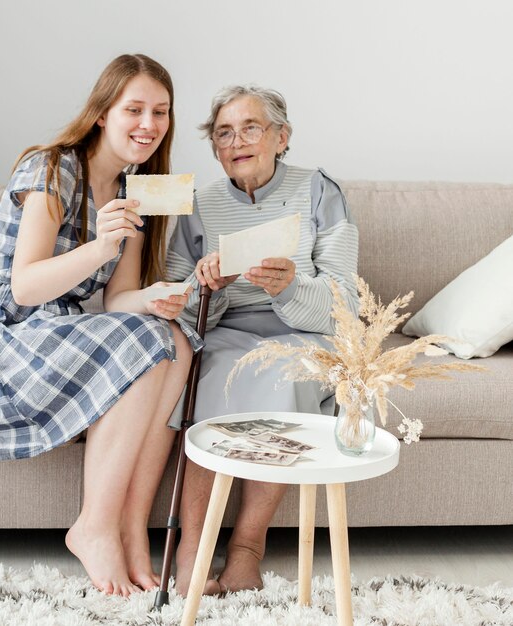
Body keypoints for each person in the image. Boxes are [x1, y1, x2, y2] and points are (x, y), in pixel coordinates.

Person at [0, 54, 202, 597]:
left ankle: (130, 523)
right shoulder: (51, 167)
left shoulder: (136, 191)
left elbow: (119, 297)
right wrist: (103, 245)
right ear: (103, 112)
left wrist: (153, 297)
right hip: (2, 331)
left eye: (160, 112)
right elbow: (24, 287)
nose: (148, 125)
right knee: (148, 345)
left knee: (177, 339)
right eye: (134, 109)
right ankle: (94, 524)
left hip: (61, 326)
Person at [166, 85, 359, 595]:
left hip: (303, 332)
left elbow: (345, 303)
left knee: (284, 379)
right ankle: (193, 548)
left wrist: (290, 284)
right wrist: (208, 288)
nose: (237, 141)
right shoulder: (199, 203)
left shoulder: (320, 191)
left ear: (281, 136)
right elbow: (176, 299)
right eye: (224, 133)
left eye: (251, 128)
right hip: (226, 330)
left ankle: (248, 546)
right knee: (207, 381)